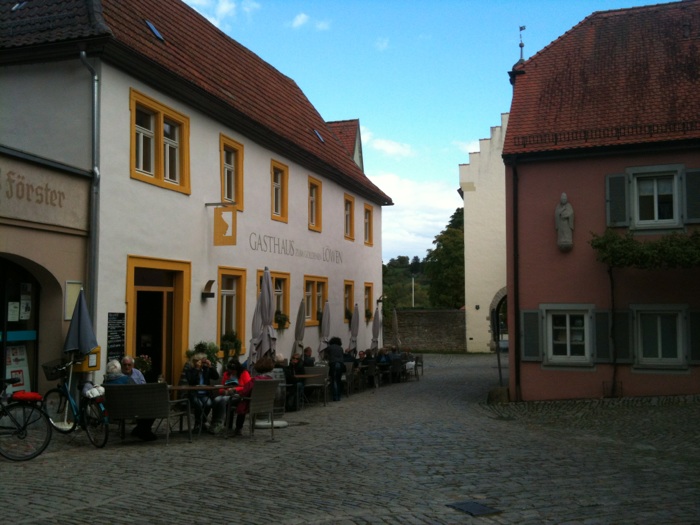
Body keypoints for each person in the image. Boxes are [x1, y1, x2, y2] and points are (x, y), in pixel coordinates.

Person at [103, 359, 157, 441]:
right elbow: (137, 392)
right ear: (119, 369)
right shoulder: (126, 379)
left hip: (113, 411)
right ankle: (144, 431)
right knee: (151, 406)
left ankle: (139, 429)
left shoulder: (105, 382)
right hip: (130, 410)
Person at [232, 356, 275, 436]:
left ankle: (236, 428)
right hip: (266, 404)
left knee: (233, 402)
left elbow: (244, 392)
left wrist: (236, 392)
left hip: (251, 404)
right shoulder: (271, 379)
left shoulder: (255, 380)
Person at [184, 353, 220, 433]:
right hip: (194, 393)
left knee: (209, 404)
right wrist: (197, 369)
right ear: (196, 361)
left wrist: (210, 366)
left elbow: (216, 377)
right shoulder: (189, 370)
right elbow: (191, 381)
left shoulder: (205, 369)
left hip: (205, 393)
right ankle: (198, 423)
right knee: (199, 404)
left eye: (204, 362)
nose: (203, 364)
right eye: (202, 361)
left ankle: (201, 422)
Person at [212, 358, 250, 433]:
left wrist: (235, 389)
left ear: (237, 369)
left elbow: (247, 387)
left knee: (224, 401)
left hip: (238, 395)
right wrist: (223, 391)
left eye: (233, 371)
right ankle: (214, 422)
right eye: (230, 370)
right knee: (216, 400)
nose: (231, 372)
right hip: (227, 393)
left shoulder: (244, 373)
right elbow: (222, 386)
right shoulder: (227, 374)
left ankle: (220, 422)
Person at [326, 336, 345, 402]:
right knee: (338, 380)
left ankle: (335, 396)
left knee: (334, 380)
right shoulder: (341, 348)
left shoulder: (329, 347)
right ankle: (339, 396)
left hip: (333, 364)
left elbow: (326, 356)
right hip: (341, 364)